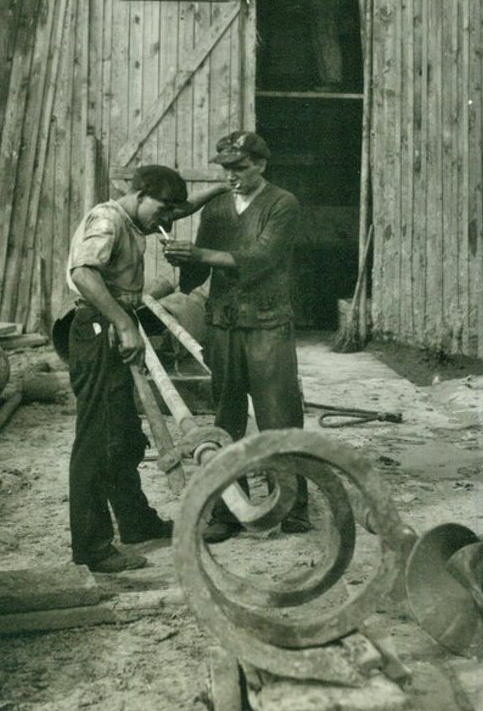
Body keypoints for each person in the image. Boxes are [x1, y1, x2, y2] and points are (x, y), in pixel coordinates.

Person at [53, 165, 227, 574]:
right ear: (141, 194)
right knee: (97, 439)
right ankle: (92, 547)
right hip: (97, 329)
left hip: (110, 327)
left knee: (125, 436)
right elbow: (83, 273)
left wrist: (217, 189)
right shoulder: (108, 219)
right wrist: (124, 322)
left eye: (171, 214)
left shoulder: (138, 219)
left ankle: (135, 522)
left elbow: (177, 210)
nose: (166, 222)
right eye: (162, 211)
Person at [162, 131, 311, 541]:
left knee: (277, 414)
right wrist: (179, 258)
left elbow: (262, 259)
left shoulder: (282, 204)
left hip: (267, 324)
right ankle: (230, 510)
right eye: (226, 169)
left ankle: (294, 504)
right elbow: (199, 270)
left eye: (240, 168)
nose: (232, 177)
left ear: (261, 165)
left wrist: (198, 254)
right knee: (226, 414)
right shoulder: (217, 209)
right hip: (223, 324)